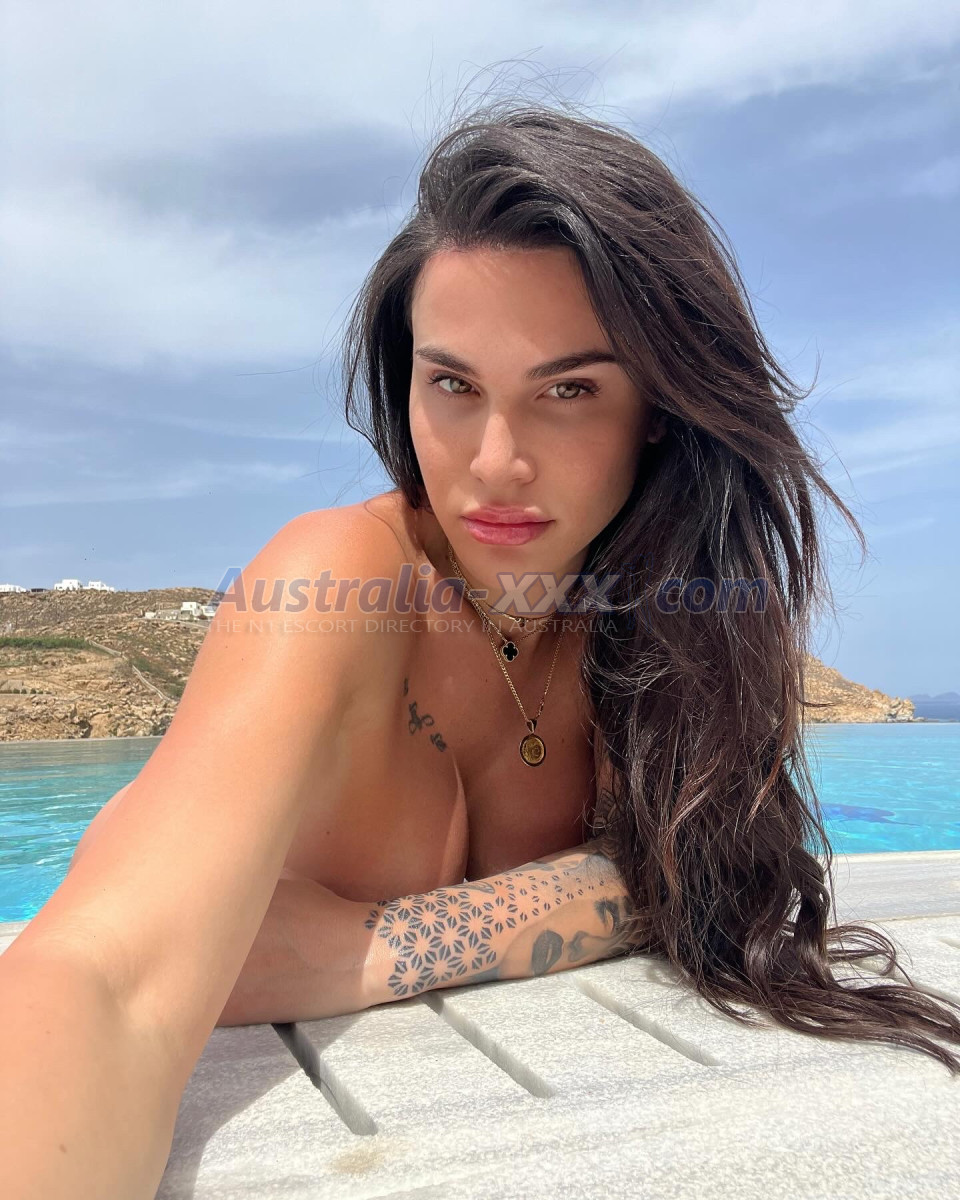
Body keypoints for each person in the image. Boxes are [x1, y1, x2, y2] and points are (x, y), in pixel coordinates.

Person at [3, 97, 960, 1199]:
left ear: (659, 408)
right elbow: (105, 981)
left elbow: (717, 880)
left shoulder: (671, 625)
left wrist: (358, 949)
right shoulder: (336, 586)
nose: (497, 461)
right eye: (453, 385)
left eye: (569, 390)